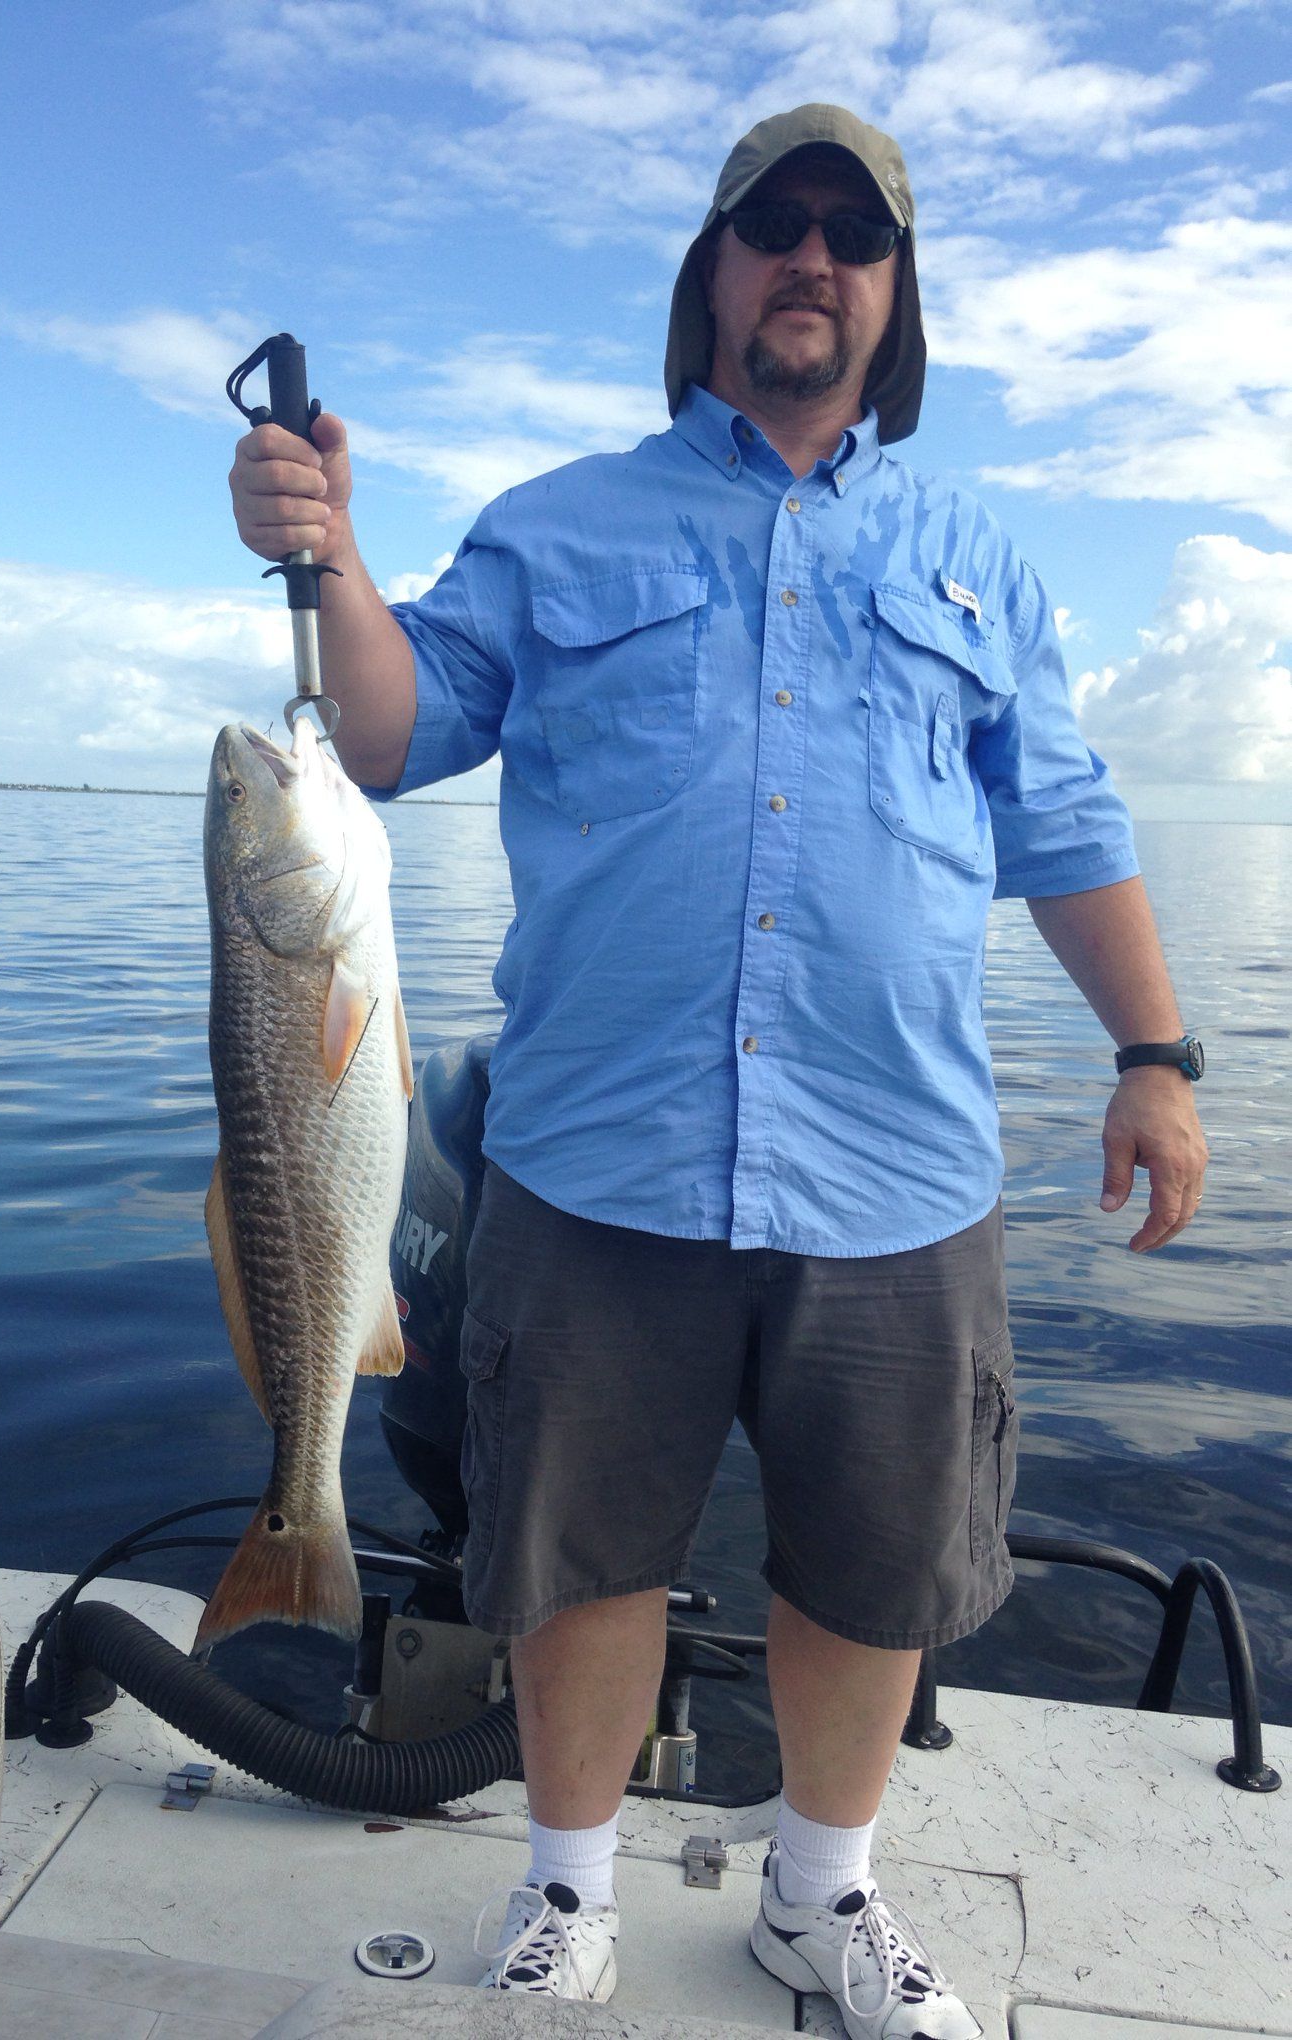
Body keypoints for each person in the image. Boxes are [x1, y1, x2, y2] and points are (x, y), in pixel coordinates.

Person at [228, 102, 1210, 2039]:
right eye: (775, 223)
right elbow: (395, 735)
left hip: (897, 1170)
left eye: (856, 231)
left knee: (868, 1567)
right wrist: (329, 559)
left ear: (895, 293)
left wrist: (1158, 1056)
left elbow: (1069, 826)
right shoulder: (565, 520)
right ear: (716, 273)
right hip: (599, 1165)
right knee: (576, 1550)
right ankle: (563, 1893)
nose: (813, 257)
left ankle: (820, 1897)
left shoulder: (977, 560)